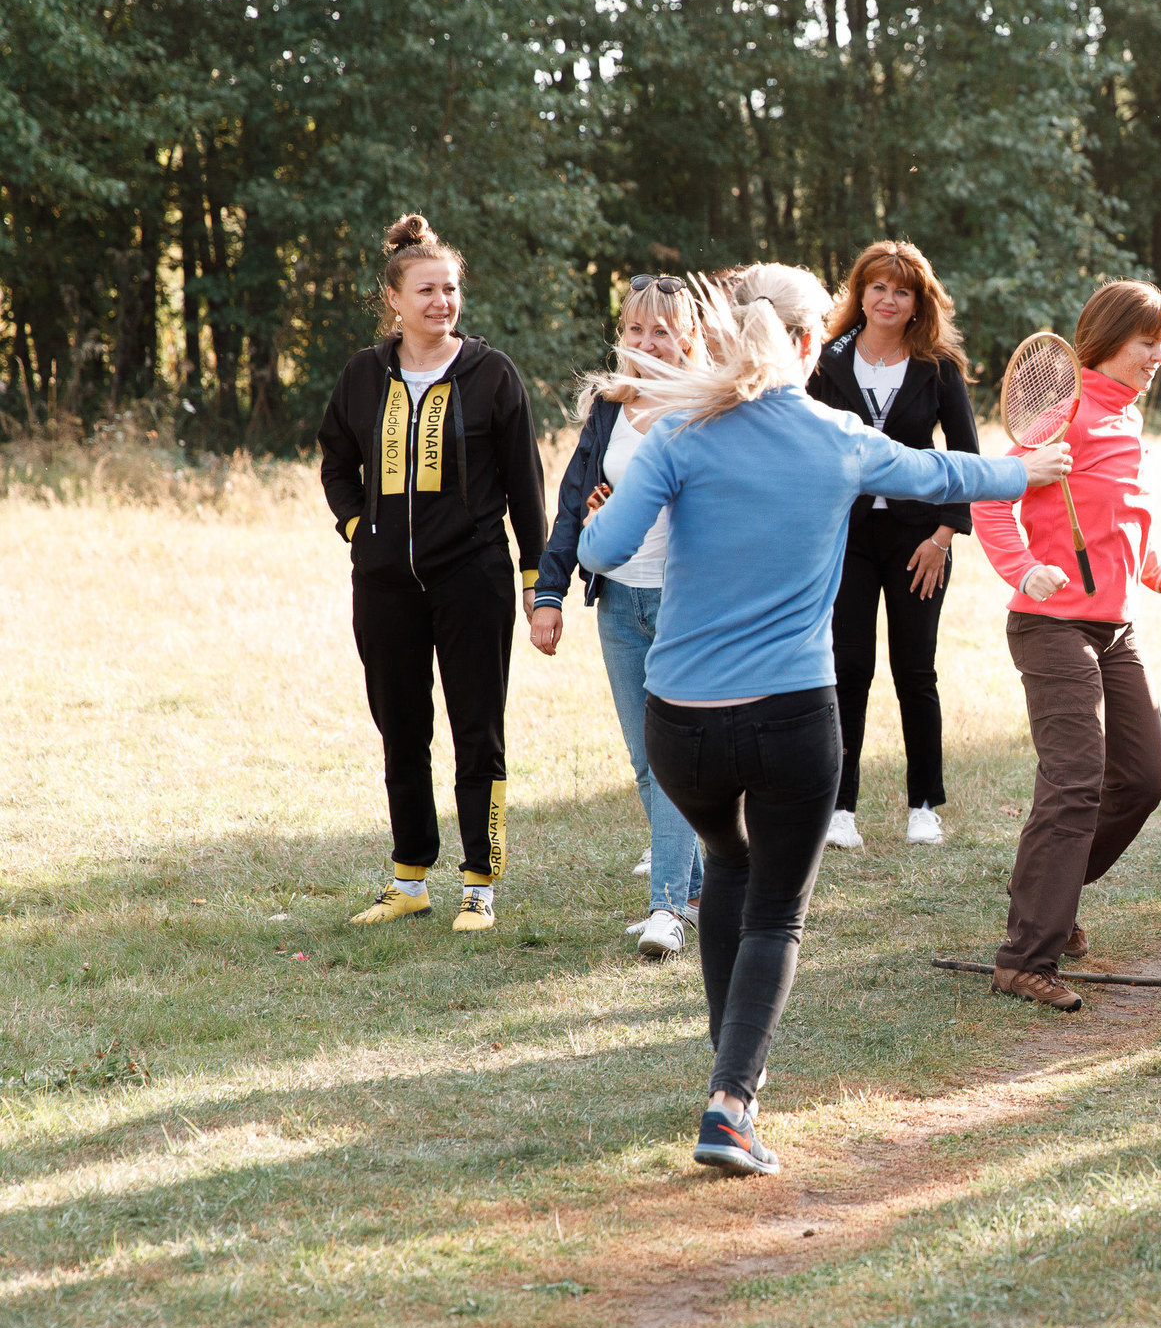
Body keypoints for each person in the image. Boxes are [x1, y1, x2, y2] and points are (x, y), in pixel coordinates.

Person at [578, 264, 1062, 1174]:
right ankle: (730, 1104)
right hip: (792, 718)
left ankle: (731, 1072)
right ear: (811, 344)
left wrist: (617, 510)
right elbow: (942, 471)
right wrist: (1028, 470)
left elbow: (599, 549)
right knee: (776, 914)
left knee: (730, 862)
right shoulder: (837, 436)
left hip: (680, 723)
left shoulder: (681, 434)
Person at [972, 281, 1161, 1013]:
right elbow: (989, 496)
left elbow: (1121, 514)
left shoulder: (1127, 419)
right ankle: (1026, 955)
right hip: (1052, 624)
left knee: (1144, 776)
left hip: (1115, 625)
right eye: (1149, 343)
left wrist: (1157, 571)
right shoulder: (1061, 414)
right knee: (1075, 775)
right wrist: (1024, 569)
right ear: (1108, 339)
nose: (1160, 356)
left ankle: (1048, 887)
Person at [319, 215, 546, 934]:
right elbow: (334, 461)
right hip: (385, 585)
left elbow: (526, 485)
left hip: (472, 578)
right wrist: (361, 530)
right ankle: (408, 877)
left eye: (450, 288)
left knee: (477, 727)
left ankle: (479, 883)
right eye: (426, 289)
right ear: (394, 298)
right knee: (402, 728)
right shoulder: (363, 373)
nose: (441, 301)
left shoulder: (491, 373)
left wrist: (537, 577)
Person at [529, 276, 719, 958]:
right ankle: (699, 889)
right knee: (645, 760)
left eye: (662, 330)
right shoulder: (610, 408)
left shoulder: (705, 409)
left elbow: (720, 502)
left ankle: (667, 907)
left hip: (683, 603)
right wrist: (548, 592)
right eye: (635, 329)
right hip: (616, 599)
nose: (646, 342)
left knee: (671, 759)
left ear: (689, 337)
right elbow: (574, 499)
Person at [806, 241, 981, 851]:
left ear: (917, 304)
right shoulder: (823, 362)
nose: (887, 299)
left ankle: (924, 804)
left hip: (919, 540)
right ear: (860, 293)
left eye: (901, 291)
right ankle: (839, 809)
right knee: (847, 669)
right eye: (877, 287)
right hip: (844, 537)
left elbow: (966, 457)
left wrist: (943, 535)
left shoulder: (938, 367)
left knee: (916, 670)